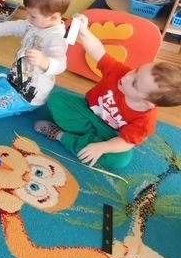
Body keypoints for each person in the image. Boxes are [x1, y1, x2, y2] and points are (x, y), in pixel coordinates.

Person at [34, 13, 181, 169]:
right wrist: (84, 31)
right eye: (136, 70)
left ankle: (61, 136)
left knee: (121, 159)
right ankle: (84, 138)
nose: (127, 76)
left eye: (134, 83)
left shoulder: (145, 120)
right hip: (86, 113)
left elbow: (126, 142)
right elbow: (98, 52)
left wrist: (103, 147)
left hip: (109, 134)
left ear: (146, 102)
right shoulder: (120, 73)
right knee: (56, 99)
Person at [0, 0, 71, 118]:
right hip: (16, 75)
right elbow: (14, 26)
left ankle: (20, 106)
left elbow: (61, 64)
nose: (28, 18)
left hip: (27, 94)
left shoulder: (57, 37)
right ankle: (7, 83)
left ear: (54, 18)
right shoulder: (34, 23)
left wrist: (44, 62)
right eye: (28, 13)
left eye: (33, 16)